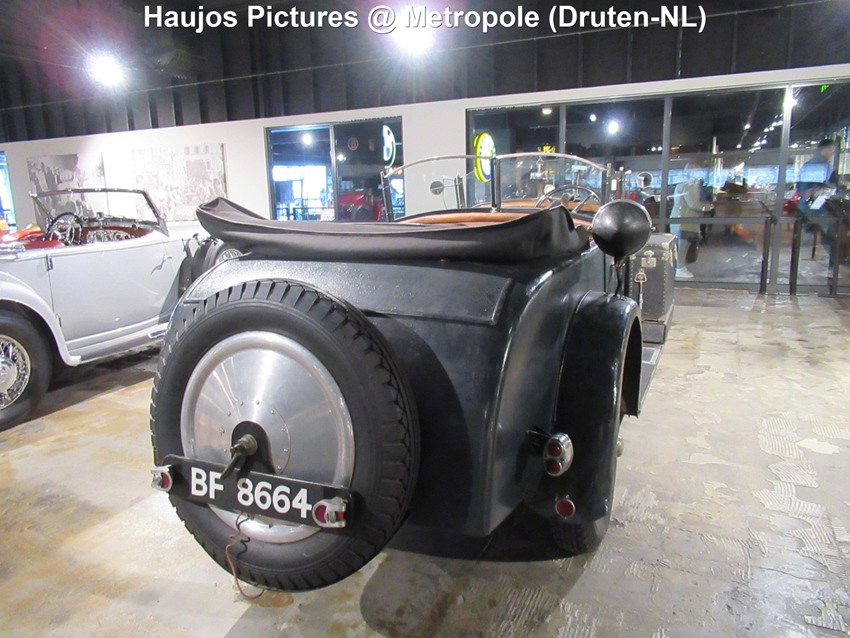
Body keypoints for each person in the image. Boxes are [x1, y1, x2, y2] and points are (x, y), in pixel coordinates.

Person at [796, 139, 839, 264]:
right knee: (831, 230)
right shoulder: (820, 165)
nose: (832, 152)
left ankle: (834, 259)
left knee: (827, 230)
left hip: (810, 204)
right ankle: (835, 261)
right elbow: (810, 189)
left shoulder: (814, 164)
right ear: (824, 150)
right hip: (813, 206)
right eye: (831, 149)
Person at [670, 162, 713, 279]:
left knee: (682, 245)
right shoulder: (688, 186)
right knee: (682, 245)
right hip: (684, 222)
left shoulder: (687, 185)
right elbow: (693, 204)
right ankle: (679, 268)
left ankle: (679, 267)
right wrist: (709, 207)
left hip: (681, 221)